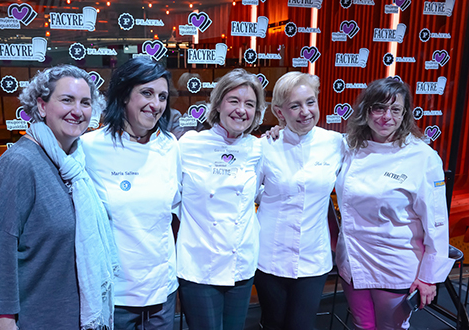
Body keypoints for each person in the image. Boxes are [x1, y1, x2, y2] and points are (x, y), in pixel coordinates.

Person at [0, 65, 118, 330]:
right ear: (41, 106)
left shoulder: (75, 165)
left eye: (85, 102)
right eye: (67, 100)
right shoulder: (19, 164)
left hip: (76, 319)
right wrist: (6, 324)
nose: (77, 111)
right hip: (38, 320)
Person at [335, 77, 455, 330]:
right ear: (366, 110)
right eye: (378, 108)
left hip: (396, 266)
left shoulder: (423, 157)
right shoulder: (349, 147)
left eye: (395, 109)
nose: (386, 116)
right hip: (353, 263)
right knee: (362, 325)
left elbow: (436, 221)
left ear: (405, 114)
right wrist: (277, 130)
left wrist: (429, 278)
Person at [80, 57, 181, 330]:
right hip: (117, 294)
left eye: (162, 96)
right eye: (146, 93)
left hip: (162, 289)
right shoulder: (89, 147)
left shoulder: (170, 146)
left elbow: (174, 210)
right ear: (124, 95)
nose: (156, 104)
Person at [176, 69, 265, 330]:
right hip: (199, 263)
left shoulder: (259, 148)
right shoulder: (189, 145)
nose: (241, 110)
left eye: (249, 104)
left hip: (241, 263)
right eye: (233, 101)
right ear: (218, 105)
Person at [254, 71, 343, 330]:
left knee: (302, 325)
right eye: (295, 106)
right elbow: (249, 191)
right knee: (273, 323)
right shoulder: (265, 146)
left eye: (310, 102)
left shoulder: (336, 143)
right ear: (280, 112)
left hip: (313, 257)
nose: (305, 111)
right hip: (269, 255)